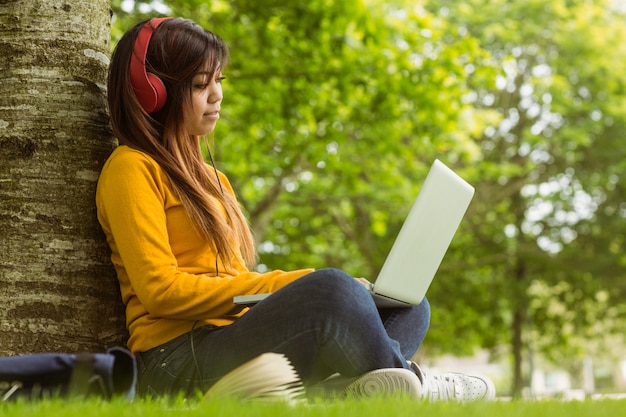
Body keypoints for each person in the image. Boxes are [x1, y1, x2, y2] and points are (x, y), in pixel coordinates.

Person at [96, 16, 496, 401]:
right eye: (201, 84)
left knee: (407, 304)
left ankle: (345, 389)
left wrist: (315, 291)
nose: (217, 95)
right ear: (154, 93)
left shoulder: (215, 181)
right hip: (175, 361)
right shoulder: (132, 168)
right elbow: (161, 293)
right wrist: (296, 285)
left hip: (236, 344)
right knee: (333, 289)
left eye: (218, 80)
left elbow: (235, 283)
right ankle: (413, 383)